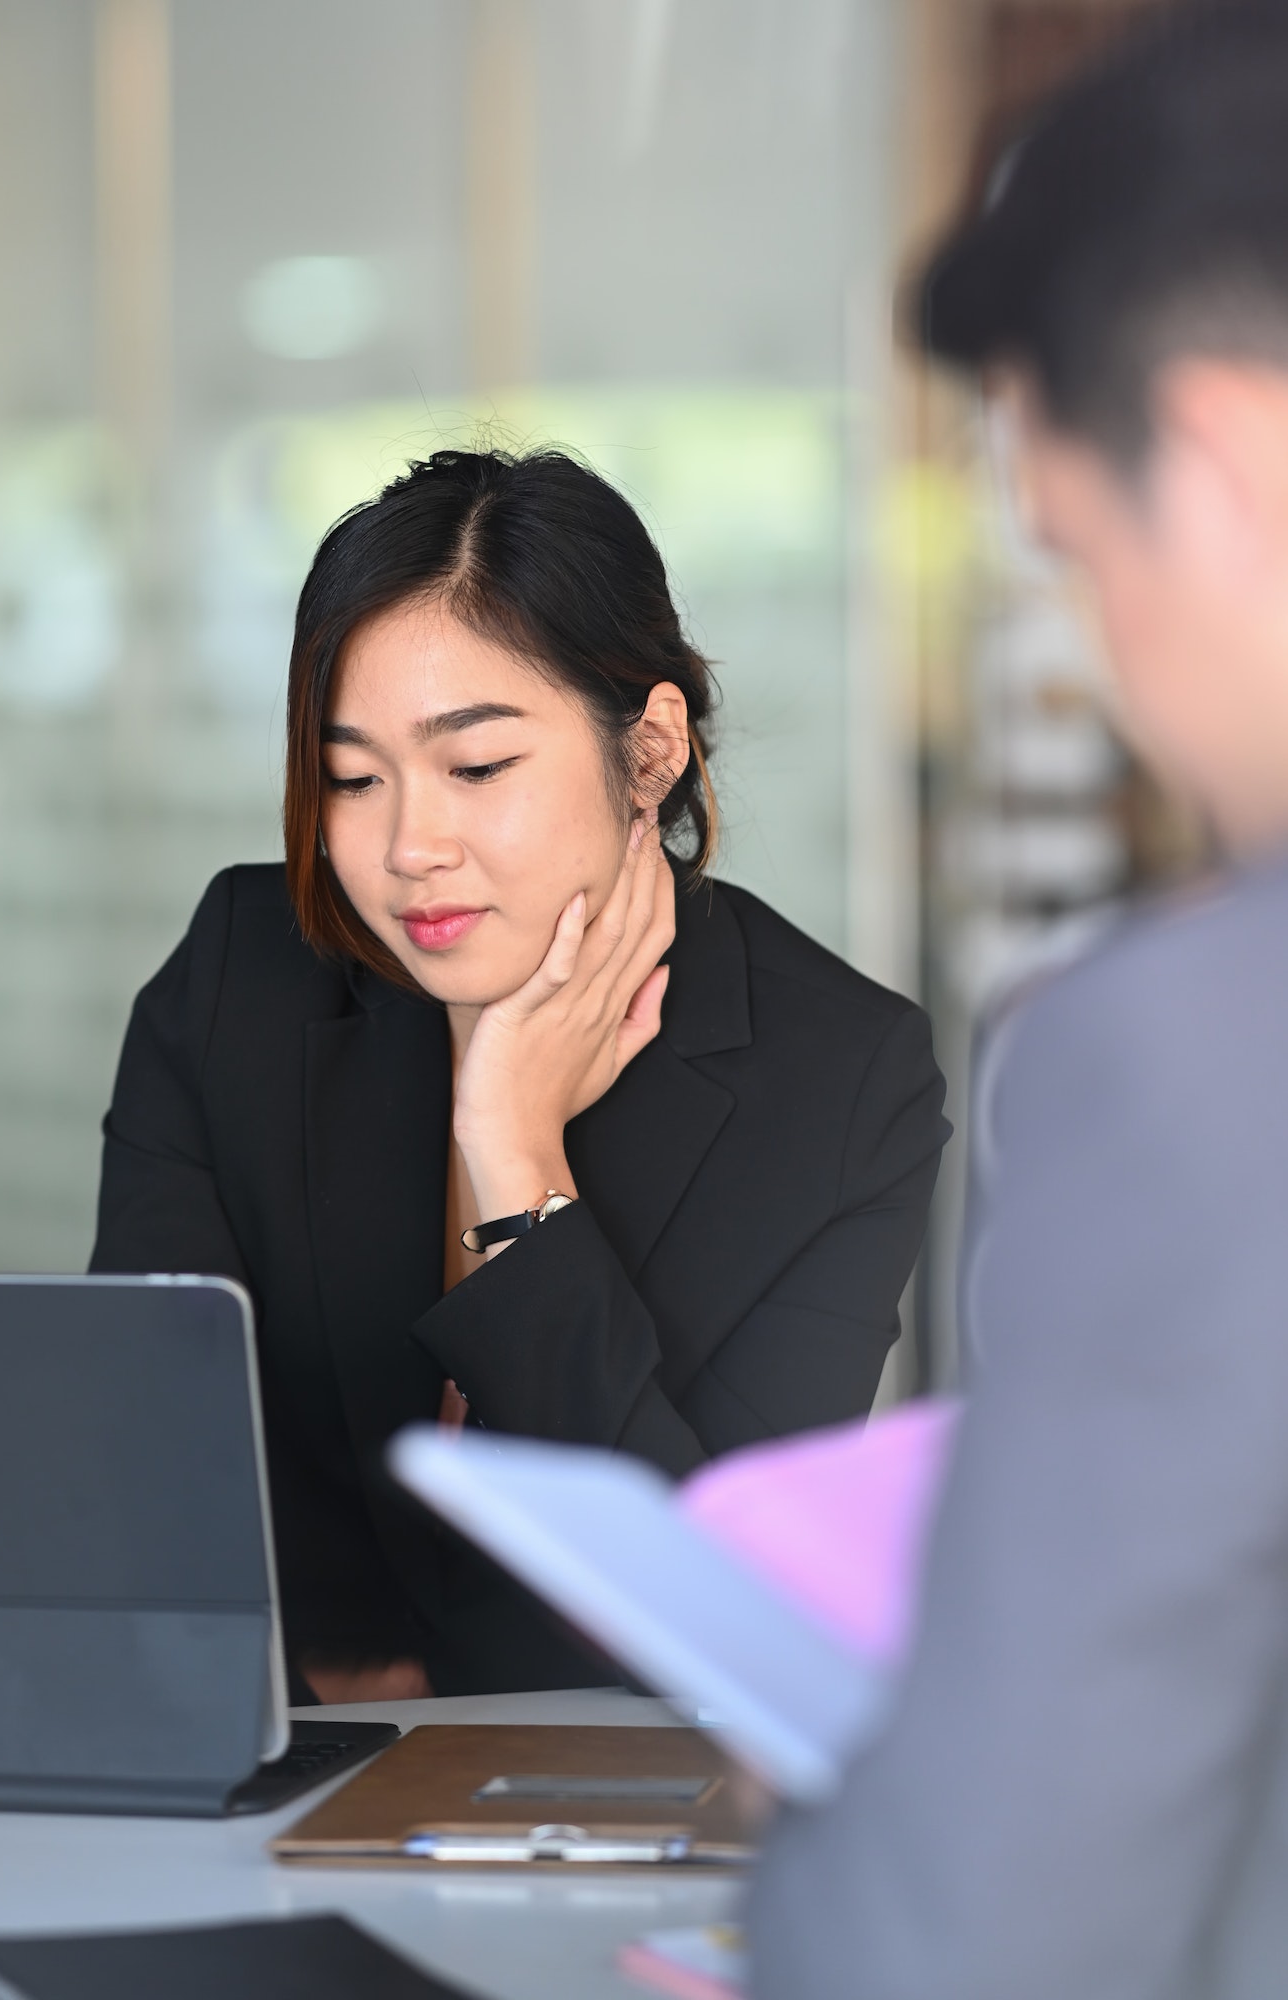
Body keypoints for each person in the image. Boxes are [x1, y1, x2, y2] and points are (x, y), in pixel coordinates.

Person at [90, 447, 949, 1703]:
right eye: (352, 777)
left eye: (476, 766)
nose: (405, 848)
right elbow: (142, 1480)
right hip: (270, 1778)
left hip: (624, 1818)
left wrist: (513, 1151)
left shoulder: (838, 1081)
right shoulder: (241, 979)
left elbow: (714, 1612)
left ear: (650, 751)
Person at [750, 5, 1288, 1995]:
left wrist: (866, 1782)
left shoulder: (1204, 1055)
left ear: (1218, 461)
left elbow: (960, 1947)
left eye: (1076, 556)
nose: (1117, 675)